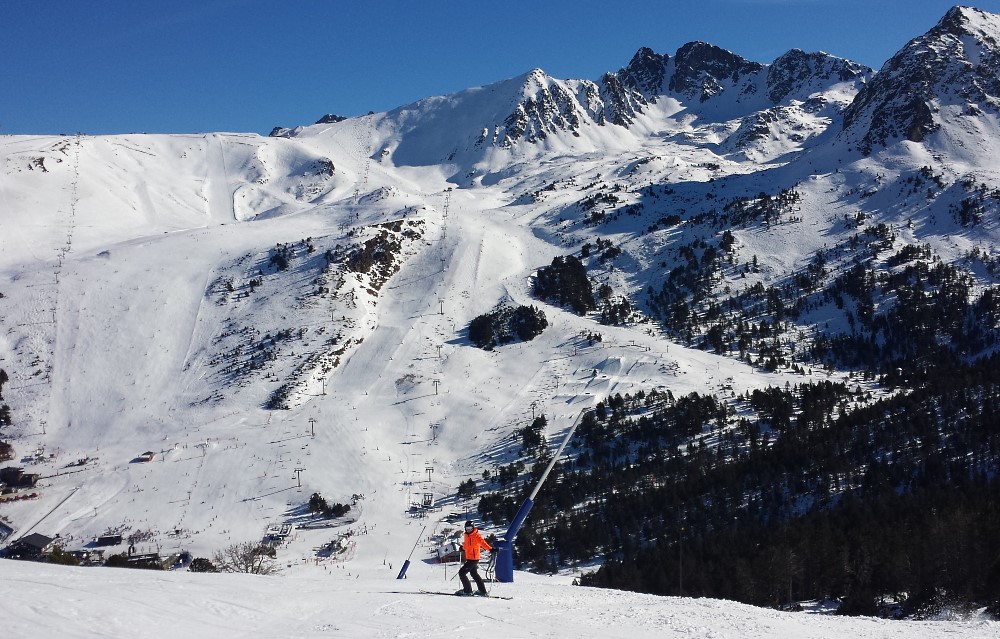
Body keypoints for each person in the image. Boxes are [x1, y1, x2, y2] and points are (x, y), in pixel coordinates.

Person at [456, 520, 492, 596]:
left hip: (474, 558)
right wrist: (463, 548)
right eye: (467, 528)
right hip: (469, 558)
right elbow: (467, 545)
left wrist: (491, 549)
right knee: (474, 574)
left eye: (470, 528)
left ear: (473, 527)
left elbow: (483, 543)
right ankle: (482, 591)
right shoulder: (466, 535)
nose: (468, 529)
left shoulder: (476, 535)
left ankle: (467, 591)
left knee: (462, 573)